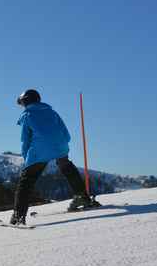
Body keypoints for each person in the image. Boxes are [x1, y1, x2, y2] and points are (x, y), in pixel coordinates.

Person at [10, 89, 100, 225]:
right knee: (67, 168)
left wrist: (27, 158)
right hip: (60, 146)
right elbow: (65, 133)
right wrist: (60, 146)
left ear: (26, 102)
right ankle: (83, 197)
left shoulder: (27, 115)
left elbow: (25, 140)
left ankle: (18, 216)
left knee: (26, 181)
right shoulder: (52, 112)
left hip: (39, 150)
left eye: (22, 103)